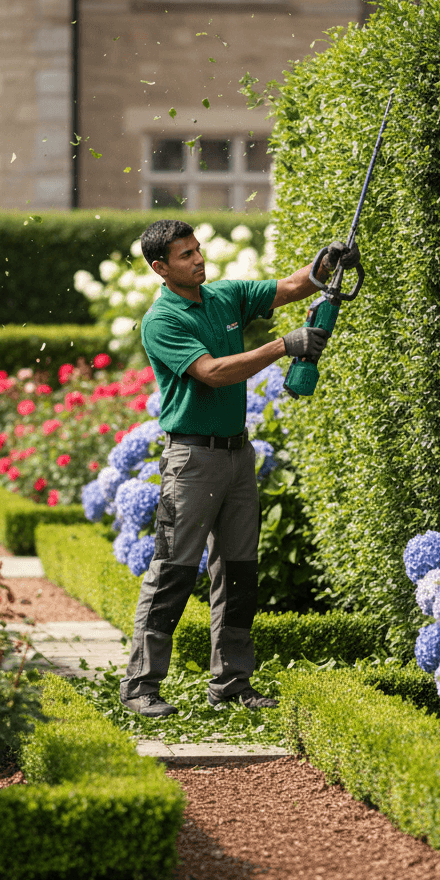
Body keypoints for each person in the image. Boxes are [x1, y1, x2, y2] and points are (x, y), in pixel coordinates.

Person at [119, 219, 360, 717]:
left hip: (237, 455)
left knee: (238, 573)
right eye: (185, 255)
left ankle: (231, 682)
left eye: (197, 249)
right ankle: (140, 686)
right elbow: (211, 372)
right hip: (191, 461)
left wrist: (326, 262)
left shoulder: (225, 296)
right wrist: (283, 346)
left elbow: (292, 287)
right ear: (160, 268)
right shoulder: (161, 321)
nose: (198, 259)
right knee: (172, 572)